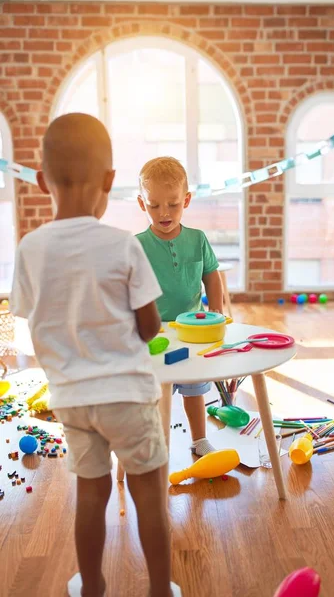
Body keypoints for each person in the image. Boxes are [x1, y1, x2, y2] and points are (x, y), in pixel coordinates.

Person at [10, 114, 181, 597]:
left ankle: (92, 586)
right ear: (109, 182)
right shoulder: (122, 245)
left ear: (42, 181)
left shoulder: (30, 249)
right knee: (148, 494)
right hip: (126, 394)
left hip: (71, 399)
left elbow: (29, 322)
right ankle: (158, 590)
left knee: (90, 494)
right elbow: (149, 327)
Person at [136, 157, 224, 457]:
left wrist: (218, 313)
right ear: (141, 204)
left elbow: (211, 276)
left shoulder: (198, 239)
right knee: (153, 394)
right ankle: (150, 442)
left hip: (192, 332)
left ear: (186, 200)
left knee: (194, 390)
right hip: (153, 334)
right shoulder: (136, 245)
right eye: (154, 205)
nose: (164, 213)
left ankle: (199, 440)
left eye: (173, 204)